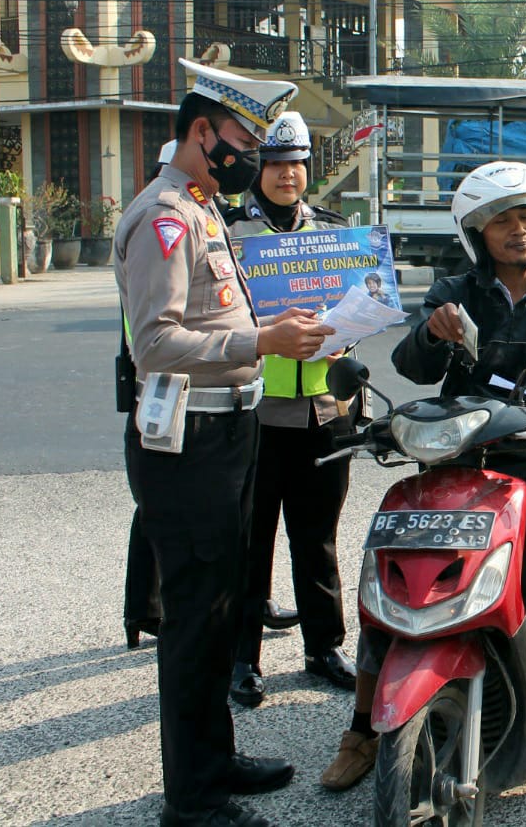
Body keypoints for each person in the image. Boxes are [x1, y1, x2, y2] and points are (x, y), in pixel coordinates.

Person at [320, 162, 526, 808]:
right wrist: (432, 331)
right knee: (390, 583)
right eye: (504, 219)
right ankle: (362, 728)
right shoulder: (453, 291)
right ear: (477, 231)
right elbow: (412, 366)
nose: (519, 230)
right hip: (459, 464)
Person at [116, 59, 334, 827]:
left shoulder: (205, 208)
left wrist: (286, 335)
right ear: (203, 132)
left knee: (218, 608)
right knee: (194, 620)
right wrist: (262, 339)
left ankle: (217, 758)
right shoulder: (165, 216)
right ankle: (195, 799)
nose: (252, 155)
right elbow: (155, 343)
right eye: (244, 140)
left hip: (227, 433)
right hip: (190, 440)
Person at [226, 112, 359, 707]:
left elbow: (359, 303)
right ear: (259, 169)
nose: (289, 175)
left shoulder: (332, 232)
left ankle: (323, 647)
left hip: (326, 409)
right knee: (249, 539)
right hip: (258, 408)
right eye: (278, 164)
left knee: (318, 535)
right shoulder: (231, 235)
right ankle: (240, 658)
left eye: (298, 164)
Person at [124, 138, 180, 649]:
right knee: (155, 515)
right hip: (162, 397)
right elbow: (154, 338)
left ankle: (143, 612)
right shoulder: (157, 222)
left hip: (156, 394)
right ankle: (145, 612)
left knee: (152, 515)